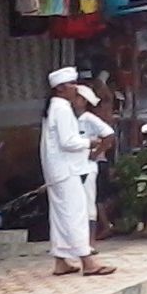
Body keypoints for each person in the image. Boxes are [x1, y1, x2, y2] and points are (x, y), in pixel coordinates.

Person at [40, 66, 116, 277]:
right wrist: (89, 142)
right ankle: (88, 262)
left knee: (60, 215)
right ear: (61, 88)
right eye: (72, 85)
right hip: (67, 170)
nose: (76, 88)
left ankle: (61, 261)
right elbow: (68, 142)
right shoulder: (62, 109)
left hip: (58, 170)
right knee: (75, 214)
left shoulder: (54, 108)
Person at [72, 83, 116, 252]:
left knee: (90, 204)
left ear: (83, 101)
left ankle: (90, 243)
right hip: (76, 167)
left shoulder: (89, 119)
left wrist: (96, 153)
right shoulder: (71, 120)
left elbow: (109, 135)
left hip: (89, 166)